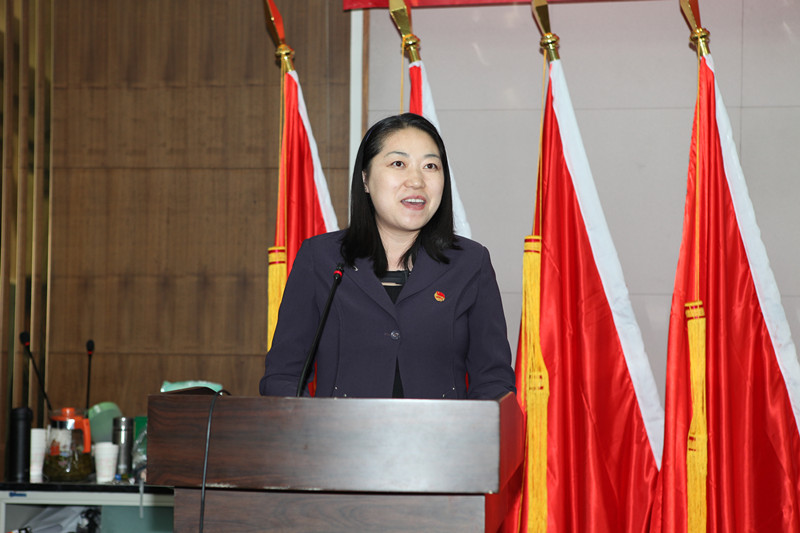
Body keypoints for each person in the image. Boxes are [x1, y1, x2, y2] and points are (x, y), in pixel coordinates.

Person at [260, 113, 515, 399]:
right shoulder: (321, 258)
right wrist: (312, 426)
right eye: (398, 164)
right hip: (338, 429)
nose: (416, 181)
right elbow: (284, 375)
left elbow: (493, 381)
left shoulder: (470, 263)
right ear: (365, 179)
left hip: (443, 429)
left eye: (430, 166)